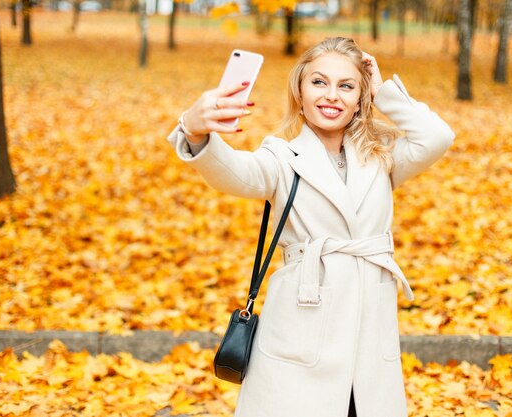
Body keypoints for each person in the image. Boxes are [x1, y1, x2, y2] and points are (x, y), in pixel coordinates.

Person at [167, 37, 455, 417]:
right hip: (303, 330)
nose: (331, 95)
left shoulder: (381, 155)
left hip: (369, 339)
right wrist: (194, 129)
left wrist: (383, 91)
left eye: (346, 86)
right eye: (318, 82)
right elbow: (236, 174)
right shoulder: (281, 158)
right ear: (299, 93)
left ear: (360, 99)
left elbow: (437, 137)